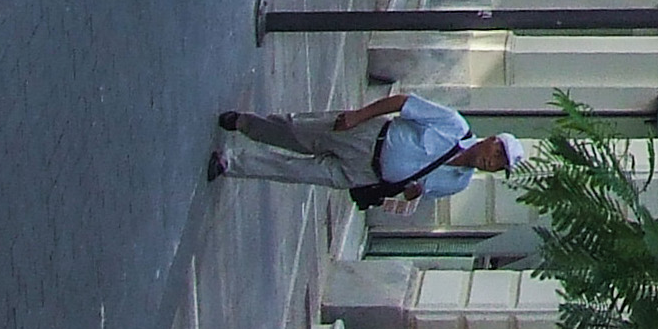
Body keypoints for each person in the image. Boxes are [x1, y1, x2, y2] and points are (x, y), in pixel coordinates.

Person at [207, 90, 523, 195]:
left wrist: (409, 193)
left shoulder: (459, 183)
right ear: (492, 140)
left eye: (499, 165)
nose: (491, 162)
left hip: (365, 176)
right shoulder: (454, 126)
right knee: (295, 131)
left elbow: (418, 192)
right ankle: (245, 123)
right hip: (368, 137)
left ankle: (229, 164)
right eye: (497, 154)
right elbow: (403, 102)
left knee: (294, 171)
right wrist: (359, 116)